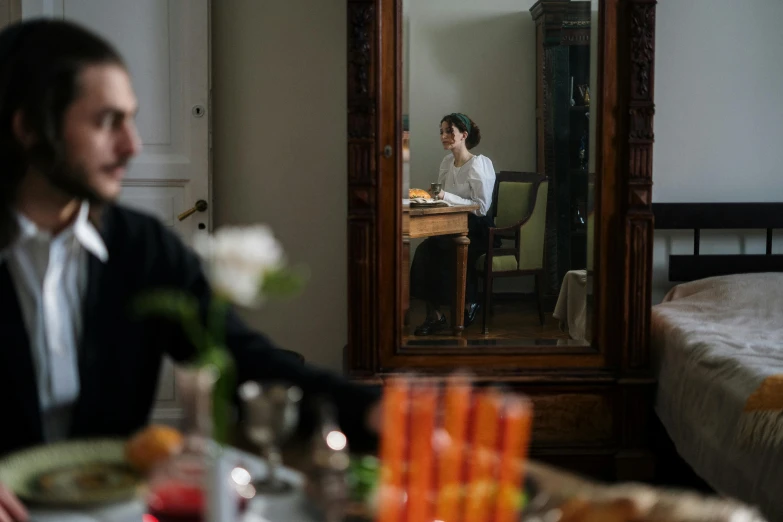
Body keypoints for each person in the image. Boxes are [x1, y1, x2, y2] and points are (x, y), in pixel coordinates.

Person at [0, 19, 381, 521]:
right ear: (28, 127)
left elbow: (246, 361)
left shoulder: (144, 247)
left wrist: (376, 412)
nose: (133, 146)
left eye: (131, 120)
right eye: (106, 121)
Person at [409, 113, 498, 335]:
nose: (444, 136)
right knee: (424, 250)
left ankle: (467, 305)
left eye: (449, 131)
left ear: (463, 135)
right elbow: (442, 196)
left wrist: (446, 196)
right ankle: (435, 315)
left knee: (447, 250)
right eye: (441, 131)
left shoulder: (480, 164)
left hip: (477, 227)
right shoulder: (447, 162)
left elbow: (482, 207)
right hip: (452, 224)